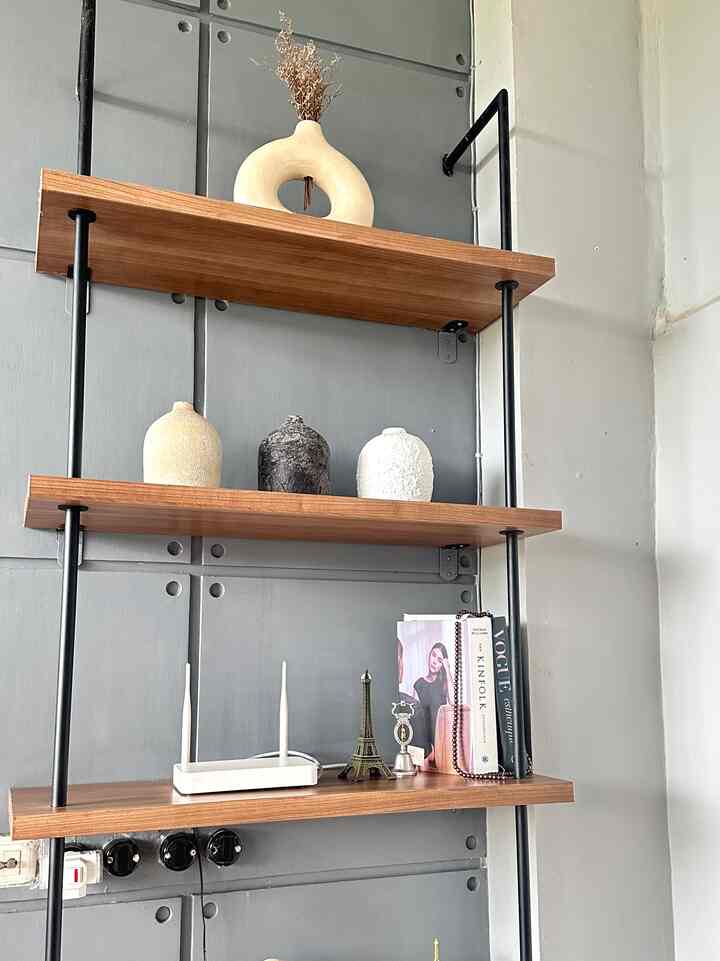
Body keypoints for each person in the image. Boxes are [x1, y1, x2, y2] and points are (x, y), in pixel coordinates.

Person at [413, 642, 455, 767]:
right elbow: (414, 719)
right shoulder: (418, 684)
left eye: (440, 660)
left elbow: (453, 701)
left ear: (442, 665)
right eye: (433, 655)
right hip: (423, 744)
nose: (435, 661)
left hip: (441, 742)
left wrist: (447, 670)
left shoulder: (443, 683)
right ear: (429, 655)